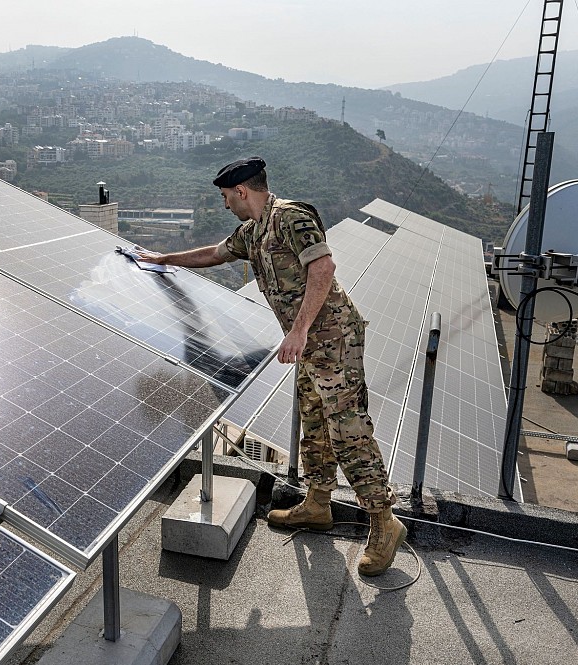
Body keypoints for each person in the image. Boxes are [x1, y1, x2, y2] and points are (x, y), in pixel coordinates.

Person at [136, 156, 406, 576]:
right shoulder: (253, 230)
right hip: (311, 347)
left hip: (333, 339)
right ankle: (318, 503)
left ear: (243, 191)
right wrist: (164, 259)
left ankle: (383, 522)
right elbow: (213, 253)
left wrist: (297, 332)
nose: (226, 205)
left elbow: (323, 268)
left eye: (227, 197)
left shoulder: (290, 218)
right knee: (314, 422)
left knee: (348, 430)